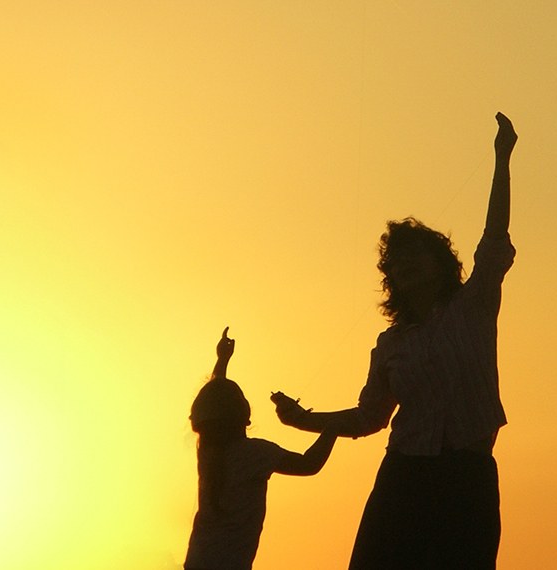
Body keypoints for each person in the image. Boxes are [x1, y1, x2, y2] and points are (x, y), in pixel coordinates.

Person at [272, 112, 518, 569]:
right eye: (397, 261)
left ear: (440, 262)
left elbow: (494, 238)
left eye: (415, 254)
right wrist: (303, 420)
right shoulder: (390, 345)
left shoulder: (474, 305)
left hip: (467, 477)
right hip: (404, 477)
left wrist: (502, 160)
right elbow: (369, 417)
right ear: (392, 279)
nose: (406, 264)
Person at [184, 327, 338, 570]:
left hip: (197, 562)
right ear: (244, 416)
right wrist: (332, 427)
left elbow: (216, 400)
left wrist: (222, 360)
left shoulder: (207, 453)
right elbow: (309, 464)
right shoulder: (256, 454)